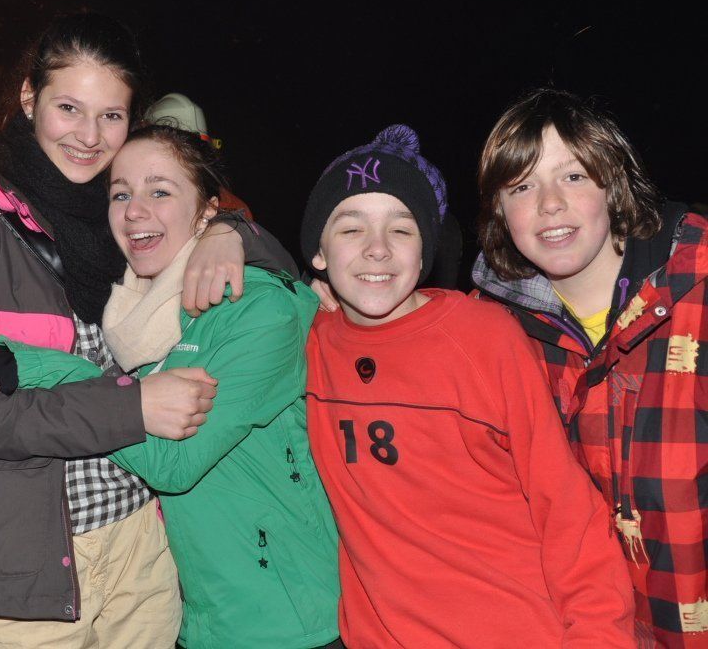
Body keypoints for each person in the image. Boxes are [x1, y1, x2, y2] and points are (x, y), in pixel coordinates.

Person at [0, 14, 290, 649]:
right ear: (29, 97)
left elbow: (276, 268)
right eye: (69, 108)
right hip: (22, 564)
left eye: (111, 115)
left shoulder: (121, 217)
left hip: (143, 550)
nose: (88, 136)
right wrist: (128, 409)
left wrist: (234, 231)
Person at [0, 125, 341, 649]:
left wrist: (49, 368)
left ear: (206, 212)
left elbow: (175, 463)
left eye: (160, 191)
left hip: (286, 616)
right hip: (203, 618)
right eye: (120, 194)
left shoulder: (259, 308)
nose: (134, 210)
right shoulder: (131, 317)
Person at [300, 124, 636, 647]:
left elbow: (564, 505)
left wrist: (598, 636)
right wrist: (235, 234)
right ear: (318, 252)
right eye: (350, 230)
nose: (377, 249)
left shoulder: (483, 337)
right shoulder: (306, 339)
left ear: (426, 251)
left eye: (401, 230)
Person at [472, 88, 708, 648]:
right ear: (500, 212)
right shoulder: (487, 336)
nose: (549, 204)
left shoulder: (696, 291)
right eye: (522, 187)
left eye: (573, 176)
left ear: (614, 185)